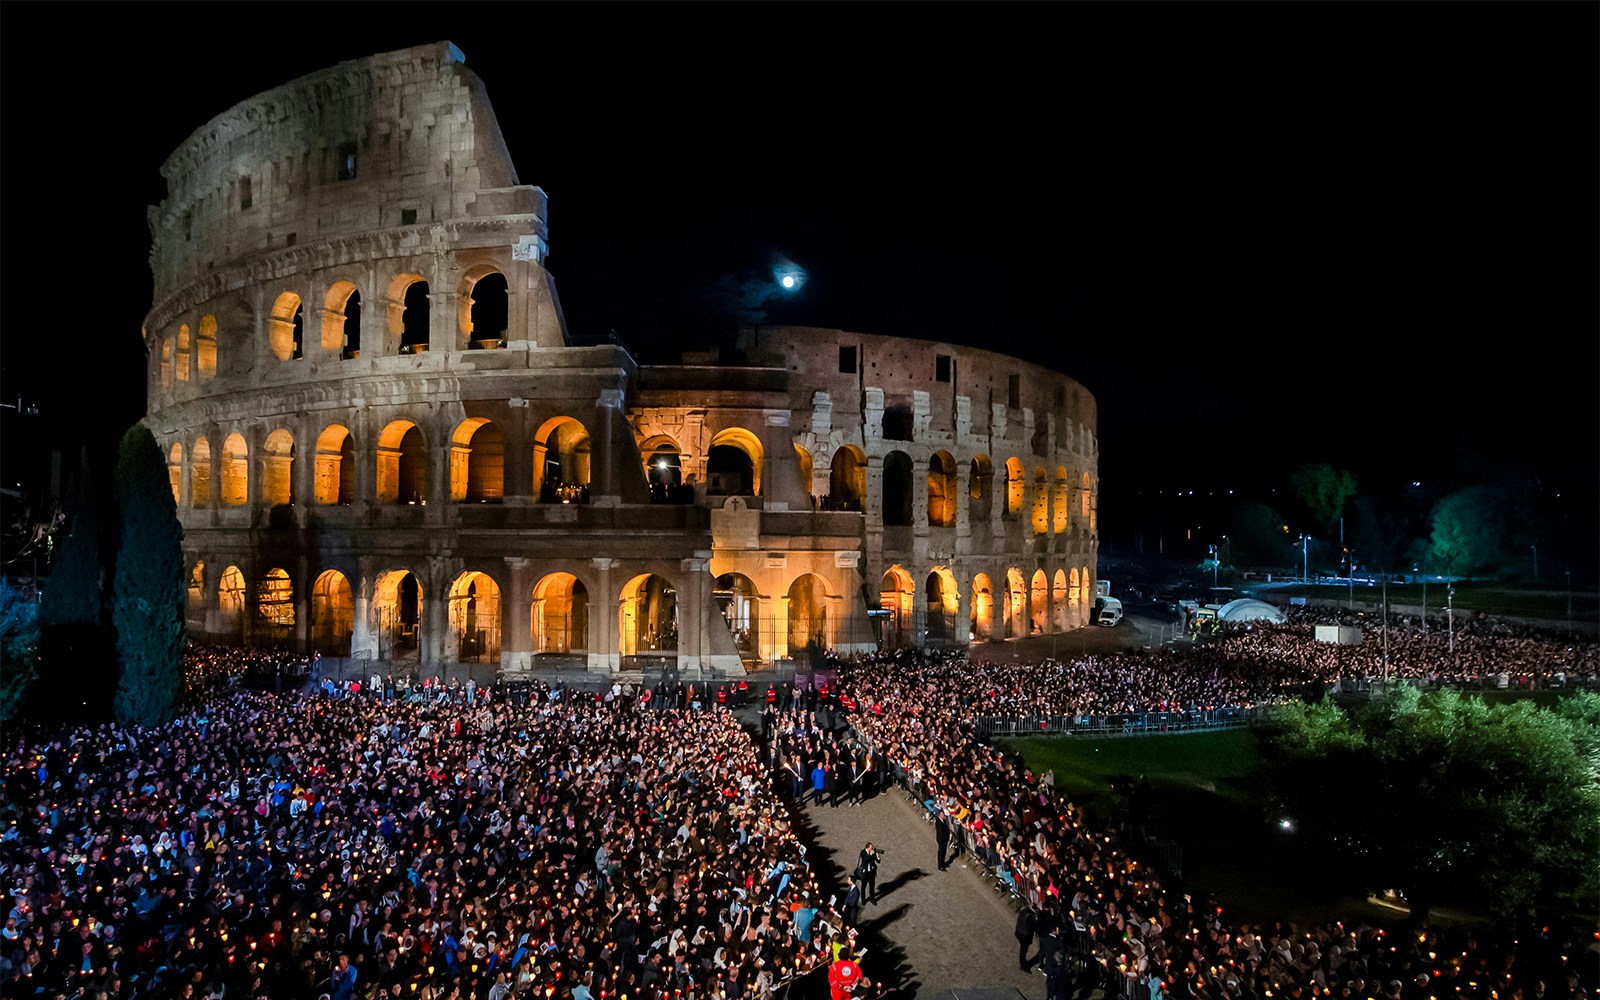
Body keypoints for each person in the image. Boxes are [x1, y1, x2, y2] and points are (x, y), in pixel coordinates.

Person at [1015, 904, 1037, 971]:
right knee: (1023, 950)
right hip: (1024, 935)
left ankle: (1024, 963)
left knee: (1023, 950)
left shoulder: (1023, 909)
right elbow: (1032, 927)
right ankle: (1023, 965)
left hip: (1019, 932)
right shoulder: (1030, 916)